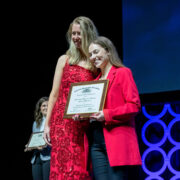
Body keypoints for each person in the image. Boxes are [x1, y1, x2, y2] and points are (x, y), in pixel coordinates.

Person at [43, 16, 99, 180]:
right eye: (73, 33)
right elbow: (54, 94)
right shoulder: (64, 59)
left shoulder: (94, 62)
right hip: (61, 124)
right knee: (61, 168)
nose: (75, 37)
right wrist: (47, 125)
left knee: (79, 168)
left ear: (88, 34)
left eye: (78, 33)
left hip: (82, 124)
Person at [87, 36, 142, 180]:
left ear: (108, 51)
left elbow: (134, 106)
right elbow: (92, 111)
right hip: (97, 142)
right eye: (90, 54)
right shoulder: (94, 82)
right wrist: (81, 114)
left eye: (96, 52)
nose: (93, 57)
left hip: (117, 139)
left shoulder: (123, 73)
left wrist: (107, 114)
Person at [26, 96, 51, 180]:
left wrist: (43, 145)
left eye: (48, 105)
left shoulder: (53, 122)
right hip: (36, 158)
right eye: (43, 105)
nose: (46, 107)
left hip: (48, 157)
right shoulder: (35, 123)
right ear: (40, 108)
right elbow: (34, 139)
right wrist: (29, 146)